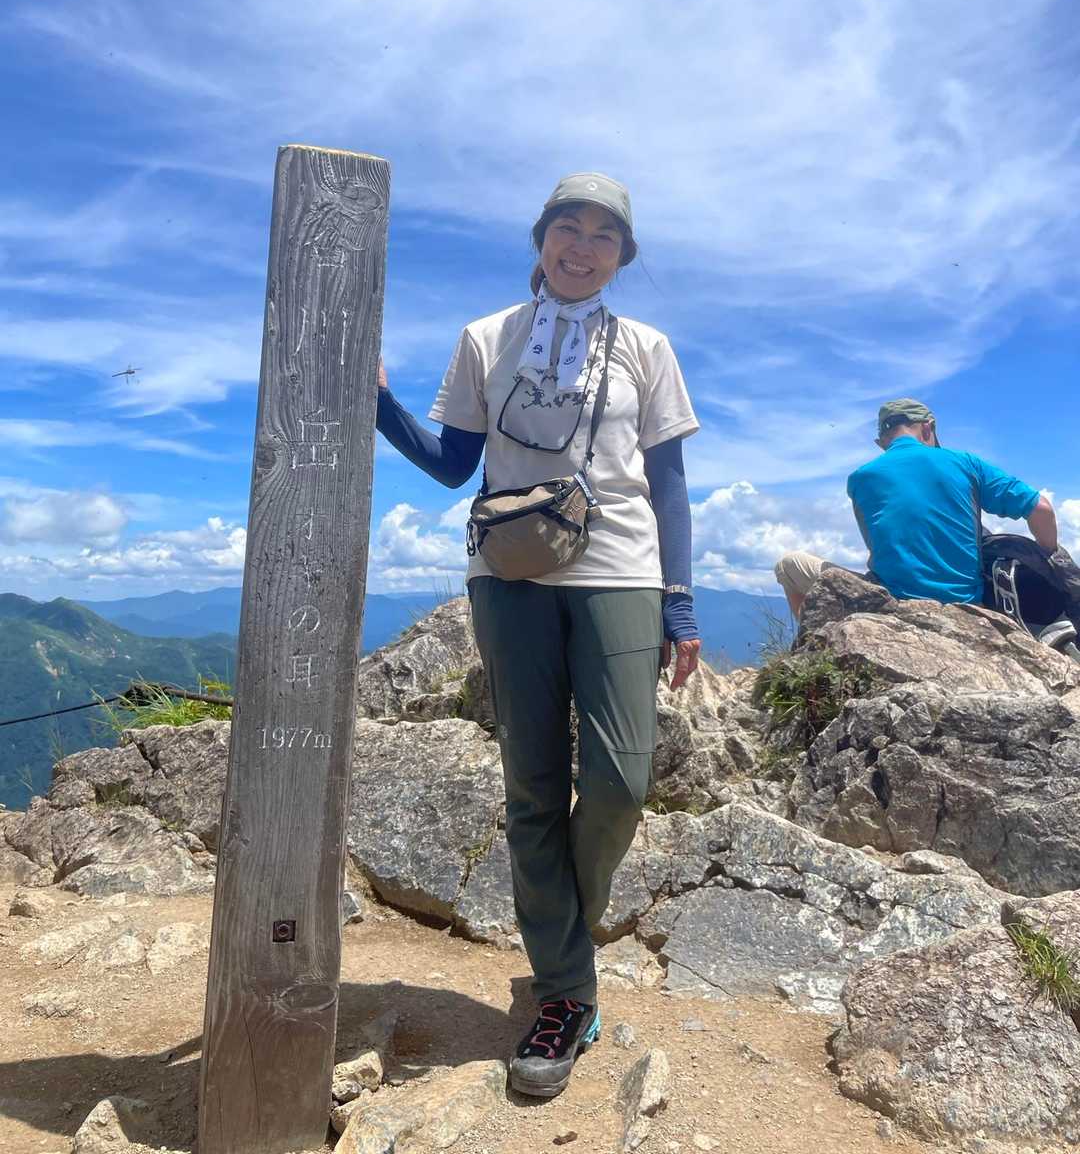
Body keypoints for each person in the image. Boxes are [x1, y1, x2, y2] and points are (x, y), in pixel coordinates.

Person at [375, 172, 700, 1098]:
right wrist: (378, 401)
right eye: (569, 227)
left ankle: (560, 927)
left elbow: (669, 483)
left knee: (622, 781)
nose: (583, 246)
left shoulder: (647, 347)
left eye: (604, 235)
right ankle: (564, 991)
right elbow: (452, 464)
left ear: (622, 256)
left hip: (621, 569)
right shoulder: (487, 337)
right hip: (508, 571)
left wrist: (679, 602)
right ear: (541, 237)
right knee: (532, 784)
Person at [775, 397, 1057, 619]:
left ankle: (813, 647)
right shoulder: (965, 463)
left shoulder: (861, 478)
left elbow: (880, 547)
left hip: (892, 605)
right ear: (928, 428)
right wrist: (1050, 559)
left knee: (788, 565)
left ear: (881, 442)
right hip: (968, 606)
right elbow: (1041, 509)